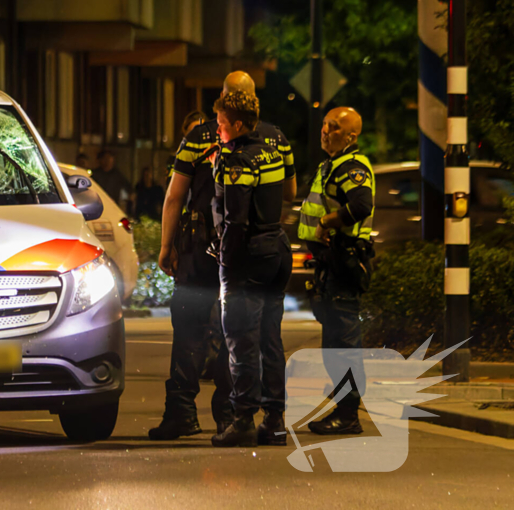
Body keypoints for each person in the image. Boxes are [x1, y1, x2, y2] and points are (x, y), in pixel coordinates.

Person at [150, 72, 294, 441]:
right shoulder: (276, 138)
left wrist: (166, 247)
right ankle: (235, 413)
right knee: (256, 335)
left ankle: (185, 412)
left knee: (194, 330)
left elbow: (173, 197)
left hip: (211, 249)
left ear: (228, 103)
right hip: (265, 248)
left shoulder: (202, 138)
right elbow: (290, 191)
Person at [209, 91, 292, 448]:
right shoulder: (271, 148)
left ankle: (242, 418)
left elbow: (235, 219)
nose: (218, 129)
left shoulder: (237, 160)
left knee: (241, 339)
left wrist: (226, 260)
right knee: (271, 339)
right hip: (276, 251)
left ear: (237, 124)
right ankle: (274, 420)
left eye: (222, 123)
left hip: (249, 258)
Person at [299, 107, 376, 436]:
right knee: (334, 342)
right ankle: (343, 409)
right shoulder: (332, 164)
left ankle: (348, 415)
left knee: (343, 342)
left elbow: (361, 205)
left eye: (335, 126)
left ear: (351, 136)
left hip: (344, 262)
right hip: (331, 263)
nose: (326, 130)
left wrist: (328, 223)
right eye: (325, 125)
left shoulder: (352, 167)